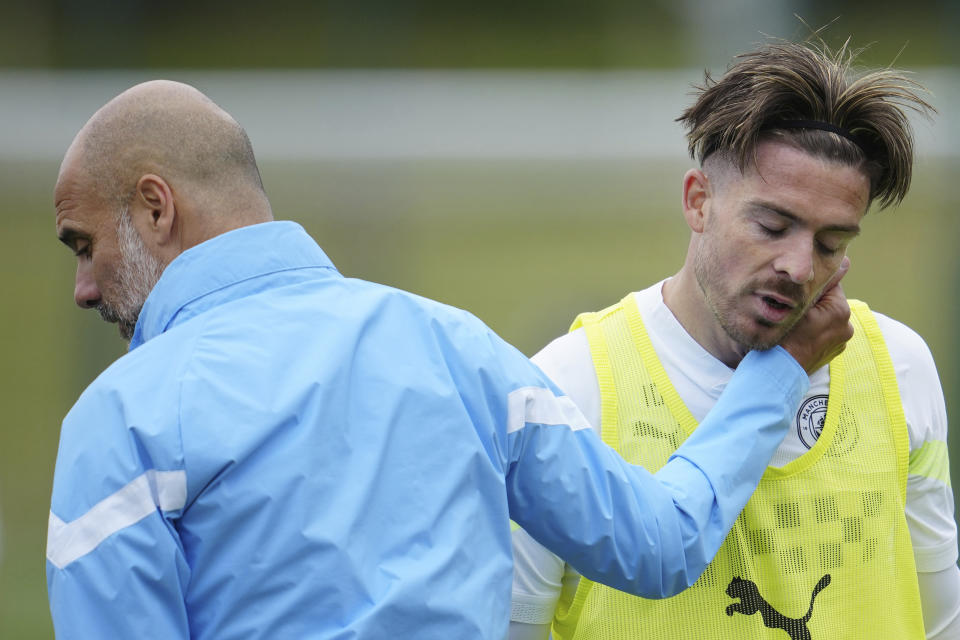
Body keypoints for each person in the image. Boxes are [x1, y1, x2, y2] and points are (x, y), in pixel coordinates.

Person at [46, 80, 852, 639]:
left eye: (83, 245)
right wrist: (778, 374)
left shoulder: (118, 423)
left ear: (157, 208)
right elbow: (661, 543)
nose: (85, 289)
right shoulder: (455, 348)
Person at [508, 39, 959, 640]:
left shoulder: (899, 365)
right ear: (699, 201)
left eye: (832, 245)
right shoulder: (568, 383)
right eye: (772, 226)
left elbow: (938, 618)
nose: (799, 267)